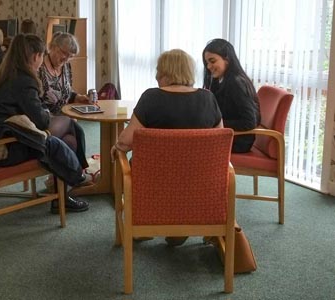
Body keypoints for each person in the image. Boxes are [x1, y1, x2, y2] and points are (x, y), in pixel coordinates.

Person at [111, 49, 223, 246]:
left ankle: (144, 223)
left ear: (166, 72)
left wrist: (117, 148)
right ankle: (178, 227)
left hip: (154, 182)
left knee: (125, 162)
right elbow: (219, 145)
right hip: (198, 182)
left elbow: (126, 142)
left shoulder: (151, 98)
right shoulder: (208, 98)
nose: (155, 76)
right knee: (184, 173)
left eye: (158, 71)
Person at [0, 34, 89, 213]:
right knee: (70, 130)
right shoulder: (24, 80)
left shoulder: (8, 73)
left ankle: (70, 185)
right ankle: (76, 176)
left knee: (70, 135)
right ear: (36, 56)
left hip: (6, 134)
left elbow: (32, 111)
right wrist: (48, 114)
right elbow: (41, 121)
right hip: (10, 146)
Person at [38, 32, 90, 169]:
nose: (66, 59)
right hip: (45, 119)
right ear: (53, 47)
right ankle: (81, 171)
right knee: (75, 127)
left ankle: (61, 182)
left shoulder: (66, 67)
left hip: (63, 117)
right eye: (64, 53)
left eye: (70, 57)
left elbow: (67, 90)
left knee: (70, 141)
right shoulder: (39, 68)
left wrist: (78, 97)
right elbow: (35, 100)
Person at [202, 38, 261, 153]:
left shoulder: (236, 83)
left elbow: (249, 122)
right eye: (207, 63)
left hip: (238, 140)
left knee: (191, 145)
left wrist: (216, 124)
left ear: (227, 59)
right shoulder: (220, 80)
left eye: (212, 61)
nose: (208, 66)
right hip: (228, 136)